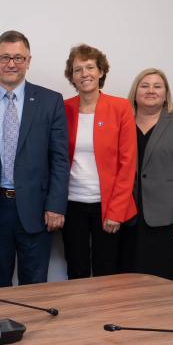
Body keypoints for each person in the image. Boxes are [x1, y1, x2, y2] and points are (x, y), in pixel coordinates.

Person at [0, 30, 69, 287]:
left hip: (37, 208)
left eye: (19, 58)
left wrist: (55, 205)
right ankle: (0, 329)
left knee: (35, 286)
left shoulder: (50, 100)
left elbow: (59, 158)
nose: (11, 64)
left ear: (29, 61)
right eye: (5, 57)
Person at [120, 69, 173, 283]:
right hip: (127, 217)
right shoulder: (122, 122)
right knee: (127, 281)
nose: (151, 90)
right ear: (135, 92)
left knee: (167, 281)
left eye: (157, 86)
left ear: (166, 94)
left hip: (168, 220)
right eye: (144, 85)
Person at [62, 44, 137, 278]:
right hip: (72, 204)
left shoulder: (120, 107)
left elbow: (128, 164)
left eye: (90, 67)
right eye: (77, 69)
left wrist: (116, 211)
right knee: (76, 270)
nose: (84, 74)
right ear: (71, 77)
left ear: (101, 71)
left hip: (107, 206)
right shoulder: (63, 108)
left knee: (108, 272)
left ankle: (107, 317)